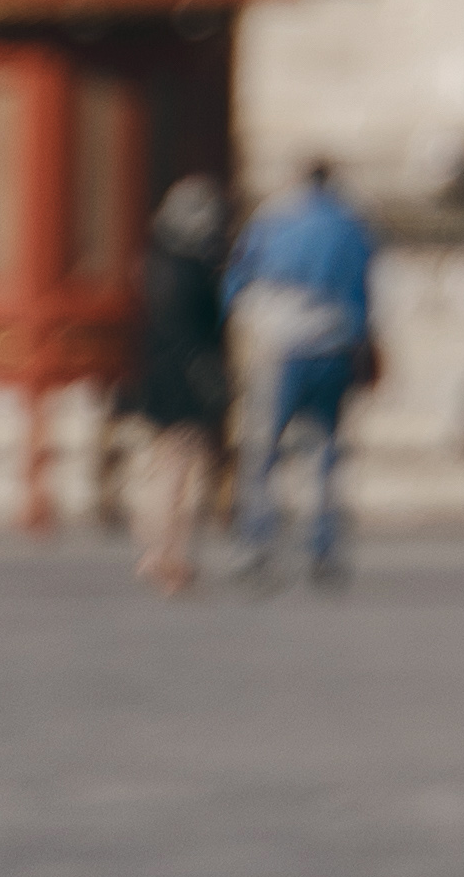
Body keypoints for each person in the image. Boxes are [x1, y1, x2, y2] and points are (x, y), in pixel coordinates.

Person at [228, 159, 379, 587]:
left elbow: (240, 280)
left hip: (282, 346)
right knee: (326, 449)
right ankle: (323, 544)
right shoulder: (350, 224)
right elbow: (362, 290)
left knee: (266, 450)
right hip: (333, 343)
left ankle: (256, 542)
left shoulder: (273, 220)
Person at [120, 169, 234, 593]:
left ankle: (152, 547)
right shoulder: (194, 270)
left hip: (153, 371)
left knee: (161, 461)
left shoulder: (151, 262)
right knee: (186, 467)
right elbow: (207, 330)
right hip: (188, 375)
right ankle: (171, 552)